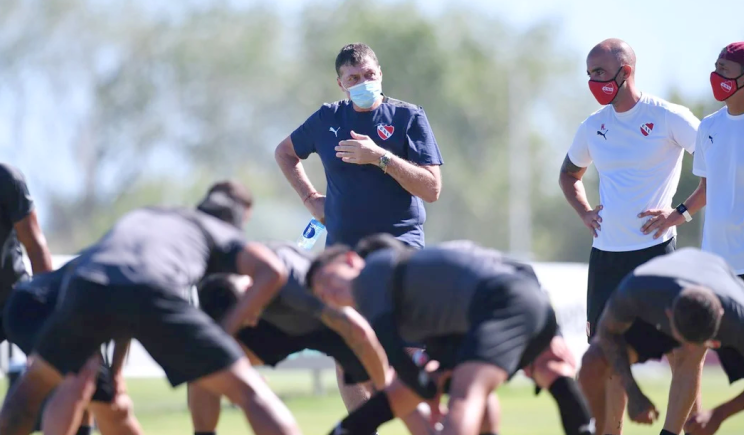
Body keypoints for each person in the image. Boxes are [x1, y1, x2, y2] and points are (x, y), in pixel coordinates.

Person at [0, 183, 303, 435]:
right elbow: (272, 271)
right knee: (250, 393)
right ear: (239, 219)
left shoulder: (149, 215)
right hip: (153, 291)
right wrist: (226, 331)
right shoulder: (217, 231)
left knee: (30, 390)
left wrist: (114, 371)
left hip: (88, 285)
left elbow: (122, 295)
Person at [274, 41, 444, 418]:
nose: (363, 82)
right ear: (341, 84)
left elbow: (432, 189)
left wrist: (380, 157)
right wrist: (310, 199)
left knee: (413, 356)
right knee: (349, 354)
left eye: (369, 75)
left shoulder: (408, 118)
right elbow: (284, 153)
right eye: (353, 78)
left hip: (400, 253)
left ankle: (434, 426)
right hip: (342, 257)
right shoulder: (326, 119)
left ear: (380, 74)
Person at [306, 235, 595, 435]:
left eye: (328, 280)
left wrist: (428, 391)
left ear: (351, 260)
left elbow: (393, 354)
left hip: (502, 306)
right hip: (515, 308)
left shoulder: (369, 275)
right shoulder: (419, 289)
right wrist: (428, 387)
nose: (330, 293)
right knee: (546, 373)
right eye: (322, 295)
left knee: (464, 394)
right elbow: (518, 268)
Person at [558, 38, 700, 435]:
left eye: (600, 73)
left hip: (656, 253)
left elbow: (716, 159)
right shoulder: (593, 125)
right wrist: (585, 212)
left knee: (684, 353)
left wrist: (681, 213)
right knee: (605, 359)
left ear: (627, 71)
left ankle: (682, 430)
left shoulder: (669, 116)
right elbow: (569, 175)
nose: (593, 81)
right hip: (606, 259)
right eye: (589, 74)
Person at [188, 241, 426, 435]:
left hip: (332, 329)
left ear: (251, 290)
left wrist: (383, 388)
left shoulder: (298, 283)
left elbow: (359, 332)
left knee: (396, 392)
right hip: (278, 326)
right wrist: (241, 377)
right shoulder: (219, 287)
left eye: (247, 315)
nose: (250, 322)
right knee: (203, 364)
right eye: (245, 322)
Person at [577, 248, 744, 435]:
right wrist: (632, 391)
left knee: (688, 356)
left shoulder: (739, 317)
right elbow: (607, 334)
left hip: (716, 291)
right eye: (684, 339)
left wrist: (719, 414)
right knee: (593, 360)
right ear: (668, 315)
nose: (689, 346)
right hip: (663, 293)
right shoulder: (636, 290)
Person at [4, 261, 142, 435]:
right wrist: (116, 373)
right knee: (82, 382)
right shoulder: (132, 272)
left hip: (26, 301)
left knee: (97, 392)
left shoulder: (121, 265)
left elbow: (123, 325)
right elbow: (124, 322)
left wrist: (116, 372)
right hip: (44, 307)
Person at [692, 41, 744, 281]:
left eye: (724, 69)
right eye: (716, 67)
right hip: (713, 265)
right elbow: (706, 189)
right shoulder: (708, 126)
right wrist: (676, 214)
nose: (715, 75)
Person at [0, 161, 52, 344]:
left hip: (13, 304)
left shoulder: (4, 178)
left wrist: (49, 308)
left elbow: (35, 247)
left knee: (55, 369)